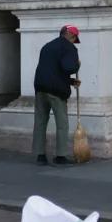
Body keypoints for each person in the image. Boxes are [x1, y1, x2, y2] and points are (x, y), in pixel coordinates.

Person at [32, 25, 82, 165]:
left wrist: (71, 81)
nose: (73, 41)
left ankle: (40, 155)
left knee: (40, 122)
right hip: (56, 91)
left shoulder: (47, 46)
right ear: (70, 35)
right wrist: (77, 65)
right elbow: (68, 67)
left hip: (40, 88)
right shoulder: (69, 48)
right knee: (62, 124)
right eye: (74, 38)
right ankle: (61, 156)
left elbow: (52, 70)